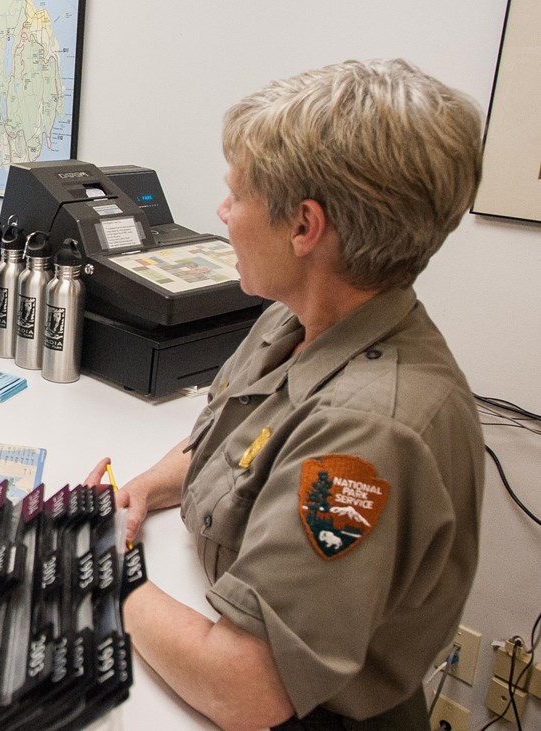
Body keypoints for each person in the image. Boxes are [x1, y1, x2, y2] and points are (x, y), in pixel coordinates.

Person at [87, 59, 484, 729]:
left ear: (304, 227)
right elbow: (235, 445)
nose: (222, 212)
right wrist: (145, 490)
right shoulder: (295, 317)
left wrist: (100, 573)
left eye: (235, 193)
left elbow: (244, 686)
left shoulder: (369, 434)